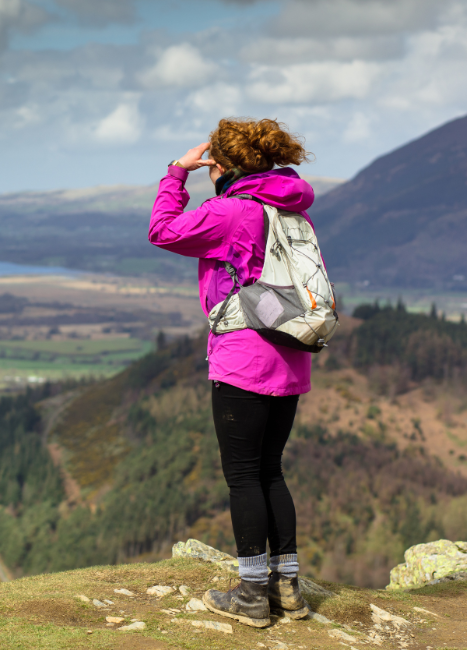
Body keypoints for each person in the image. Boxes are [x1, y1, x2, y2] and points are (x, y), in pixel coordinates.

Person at [148, 117, 316, 628]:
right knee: (271, 471)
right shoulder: (289, 208)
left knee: (243, 475)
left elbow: (162, 232)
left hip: (244, 357)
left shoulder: (231, 212)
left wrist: (176, 173)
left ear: (221, 166)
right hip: (291, 351)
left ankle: (249, 596)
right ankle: (286, 589)